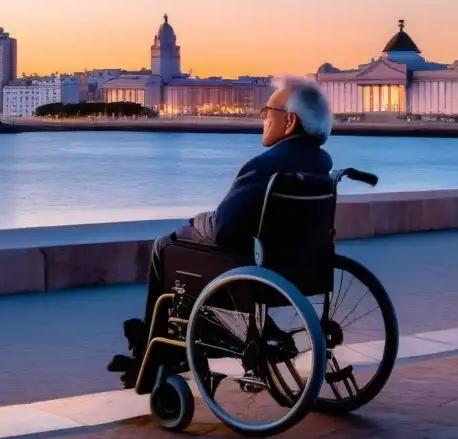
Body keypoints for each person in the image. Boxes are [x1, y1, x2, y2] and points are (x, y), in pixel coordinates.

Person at [108, 76, 335, 383]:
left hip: (255, 269)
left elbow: (223, 230)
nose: (262, 117)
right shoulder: (321, 163)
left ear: (290, 121)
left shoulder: (264, 166)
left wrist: (199, 220)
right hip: (303, 269)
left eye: (268, 111)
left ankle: (157, 348)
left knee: (167, 247)